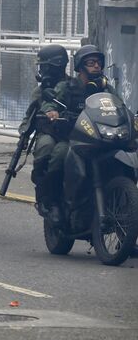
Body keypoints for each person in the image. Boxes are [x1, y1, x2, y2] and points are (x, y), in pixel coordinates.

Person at [40, 45, 118, 214]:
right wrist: (51, 111)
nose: (97, 66)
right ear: (80, 67)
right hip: (72, 138)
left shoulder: (106, 88)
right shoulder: (66, 87)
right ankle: (52, 202)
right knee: (61, 154)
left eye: (99, 63)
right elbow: (50, 103)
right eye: (91, 63)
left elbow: (119, 106)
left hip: (100, 139)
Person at [19, 45, 72, 216]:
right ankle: (44, 193)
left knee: (64, 153)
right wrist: (24, 134)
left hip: (69, 133)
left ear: (56, 66)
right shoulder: (40, 91)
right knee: (46, 148)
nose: (41, 70)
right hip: (48, 133)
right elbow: (30, 114)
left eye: (44, 66)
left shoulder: (73, 85)